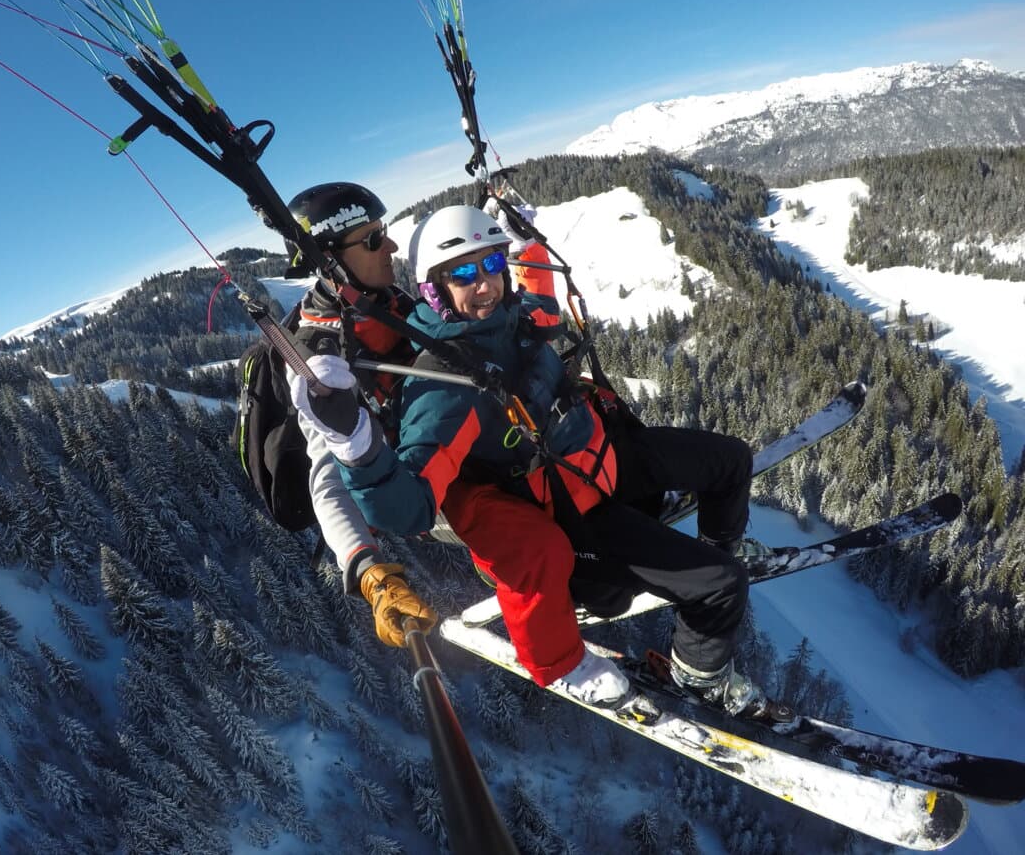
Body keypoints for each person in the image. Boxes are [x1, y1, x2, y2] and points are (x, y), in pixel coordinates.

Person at [293, 203, 780, 718]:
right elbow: (408, 508)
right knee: (720, 584)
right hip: (572, 507)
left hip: (596, 459)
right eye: (463, 273)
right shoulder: (445, 387)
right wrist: (355, 444)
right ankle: (700, 675)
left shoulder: (512, 317)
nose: (484, 284)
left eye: (491, 266)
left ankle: (723, 541)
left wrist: (528, 248)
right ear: (435, 289)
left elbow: (543, 308)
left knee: (730, 461)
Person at [282, 182, 438, 649]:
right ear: (331, 262)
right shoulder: (318, 363)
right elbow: (327, 478)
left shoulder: (386, 302)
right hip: (414, 483)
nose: (389, 245)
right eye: (372, 240)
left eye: (383, 232)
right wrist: (370, 574)